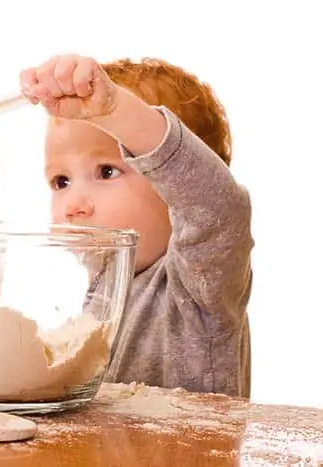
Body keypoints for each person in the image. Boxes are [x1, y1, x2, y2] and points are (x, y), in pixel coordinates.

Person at [19, 55, 253, 398]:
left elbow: (217, 205)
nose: (73, 206)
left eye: (106, 172)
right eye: (61, 181)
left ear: (175, 184)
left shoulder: (199, 286)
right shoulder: (105, 292)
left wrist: (116, 111)